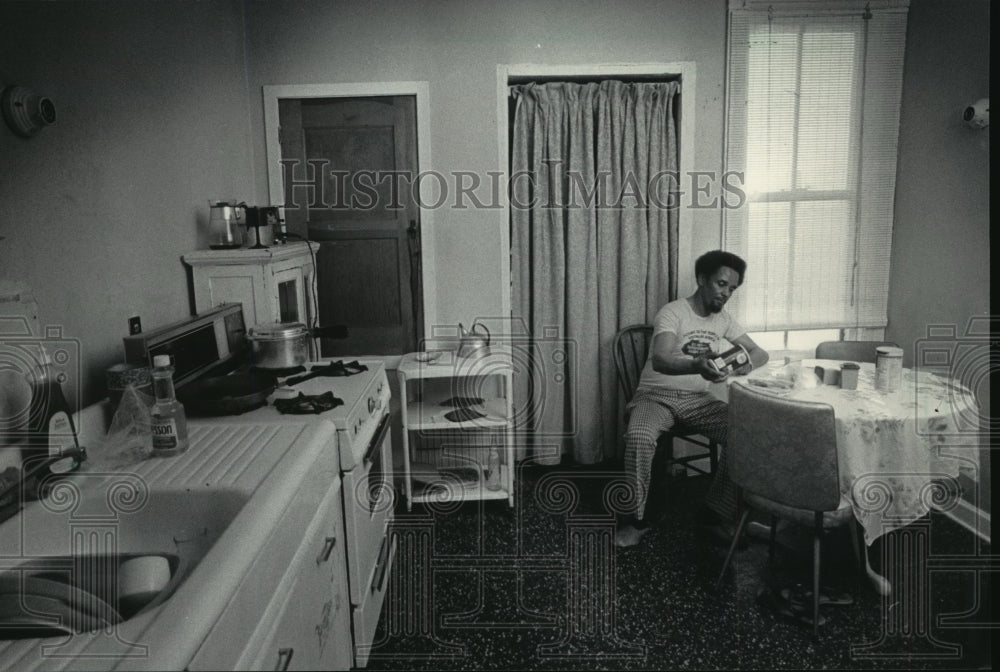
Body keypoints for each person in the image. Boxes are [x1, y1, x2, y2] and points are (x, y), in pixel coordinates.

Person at [616, 250, 769, 548]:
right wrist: (696, 365)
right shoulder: (673, 312)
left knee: (744, 433)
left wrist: (741, 364)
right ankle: (634, 520)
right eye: (721, 284)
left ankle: (714, 514)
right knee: (639, 437)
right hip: (655, 397)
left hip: (698, 401)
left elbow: (761, 353)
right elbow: (660, 359)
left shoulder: (724, 319)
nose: (726, 294)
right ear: (702, 279)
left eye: (732, 289)